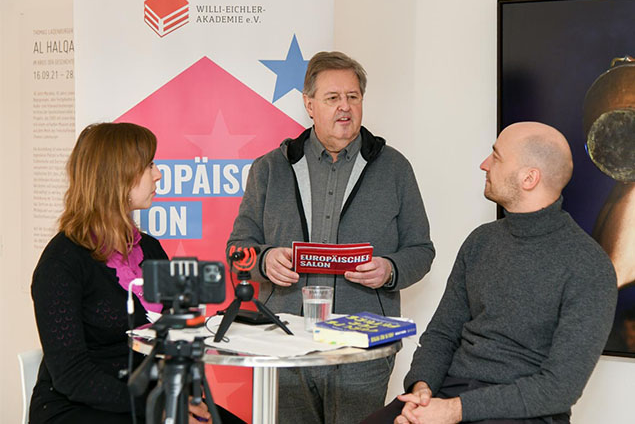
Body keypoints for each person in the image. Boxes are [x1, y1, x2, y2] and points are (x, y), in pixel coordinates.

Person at [226, 51, 435, 423]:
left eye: (353, 97)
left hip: (363, 349)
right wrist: (263, 260)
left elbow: (421, 249)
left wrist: (389, 269)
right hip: (285, 341)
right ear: (309, 104)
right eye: (332, 98)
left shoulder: (395, 168)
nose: (345, 107)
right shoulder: (270, 168)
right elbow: (237, 249)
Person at [362, 122, 617, 424]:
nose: (484, 164)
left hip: (522, 412)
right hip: (447, 393)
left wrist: (453, 411)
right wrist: (422, 391)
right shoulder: (481, 241)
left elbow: (557, 389)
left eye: (496, 156)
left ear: (529, 177)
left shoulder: (590, 267)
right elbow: (442, 335)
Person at [29, 123, 219, 423]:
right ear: (115, 176)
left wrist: (183, 399)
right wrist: (158, 408)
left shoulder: (152, 250)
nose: (158, 174)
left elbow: (178, 337)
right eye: (149, 165)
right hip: (80, 407)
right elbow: (71, 375)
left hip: (150, 399)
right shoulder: (61, 263)